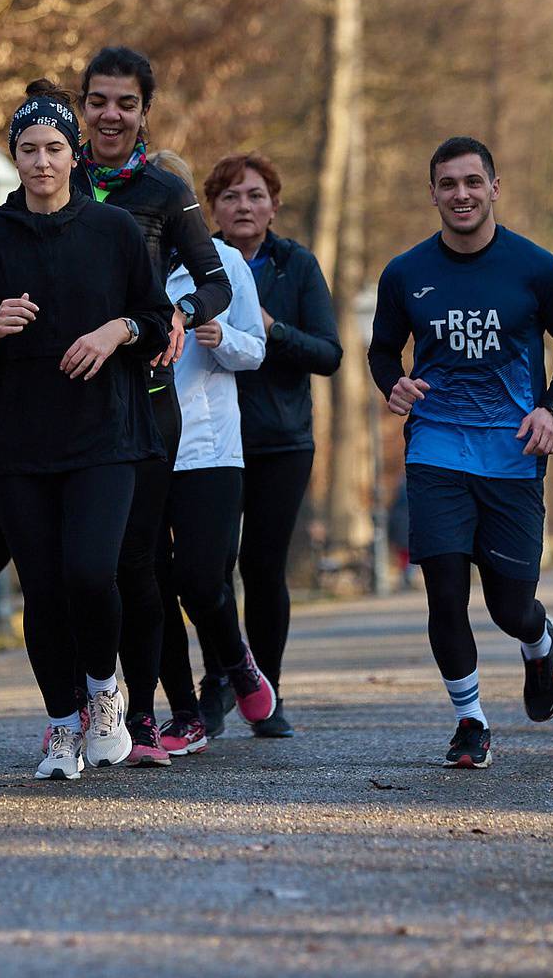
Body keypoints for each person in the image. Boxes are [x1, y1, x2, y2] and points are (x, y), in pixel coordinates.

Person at [0, 80, 172, 780]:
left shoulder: (114, 230)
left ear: (75, 157)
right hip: (15, 443)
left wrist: (116, 329)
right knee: (43, 586)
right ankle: (62, 724)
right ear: (15, 157)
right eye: (30, 149)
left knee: (91, 571)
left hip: (106, 435)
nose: (42, 161)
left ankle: (105, 691)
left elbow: (157, 318)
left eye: (54, 149)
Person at [368, 135, 553, 771]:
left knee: (508, 606)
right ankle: (470, 720)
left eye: (473, 182)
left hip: (513, 451)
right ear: (433, 193)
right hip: (437, 446)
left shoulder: (536, 267)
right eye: (447, 184)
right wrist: (395, 384)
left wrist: (551, 407)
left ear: (495, 188)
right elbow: (383, 351)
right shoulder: (406, 273)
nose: (460, 194)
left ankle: (538, 639)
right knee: (443, 592)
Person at [77, 46, 234, 762]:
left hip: (144, 399)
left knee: (136, 563)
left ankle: (141, 713)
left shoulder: (164, 190)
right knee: (78, 565)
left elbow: (215, 281)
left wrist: (179, 311)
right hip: (66, 398)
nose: (111, 114)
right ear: (83, 105)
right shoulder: (55, 174)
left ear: (145, 111)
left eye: (126, 103)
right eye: (99, 100)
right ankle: (83, 704)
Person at [200, 151, 342, 738]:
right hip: (209, 437)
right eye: (231, 196)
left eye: (255, 195)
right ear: (212, 207)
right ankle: (217, 683)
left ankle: (268, 691)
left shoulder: (297, 266)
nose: (243, 206)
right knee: (210, 571)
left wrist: (272, 330)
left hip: (281, 440)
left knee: (263, 568)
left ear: (274, 206)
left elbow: (329, 354)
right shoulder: (196, 260)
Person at [146, 150, 276, 760]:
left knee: (200, 579)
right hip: (141, 445)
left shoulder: (223, 265)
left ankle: (237, 659)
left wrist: (222, 337)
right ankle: (186, 713)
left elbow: (256, 349)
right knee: (149, 583)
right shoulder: (131, 256)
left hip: (209, 445)